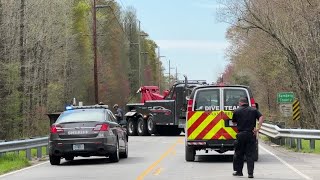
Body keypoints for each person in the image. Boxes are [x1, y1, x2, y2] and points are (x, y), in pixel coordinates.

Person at [232, 97, 264, 179]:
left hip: (241, 134)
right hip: (251, 134)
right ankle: (250, 174)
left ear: (240, 103)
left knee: (239, 154)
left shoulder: (236, 111)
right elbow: (261, 117)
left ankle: (239, 172)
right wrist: (258, 128)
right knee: (250, 155)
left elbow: (234, 122)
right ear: (247, 102)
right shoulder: (253, 110)